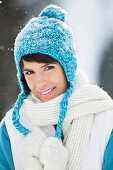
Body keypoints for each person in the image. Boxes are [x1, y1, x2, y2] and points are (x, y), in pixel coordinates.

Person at [0, 4, 113, 170]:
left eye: (48, 68)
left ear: (67, 67)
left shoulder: (106, 121)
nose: (40, 83)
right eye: (30, 72)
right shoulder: (11, 127)